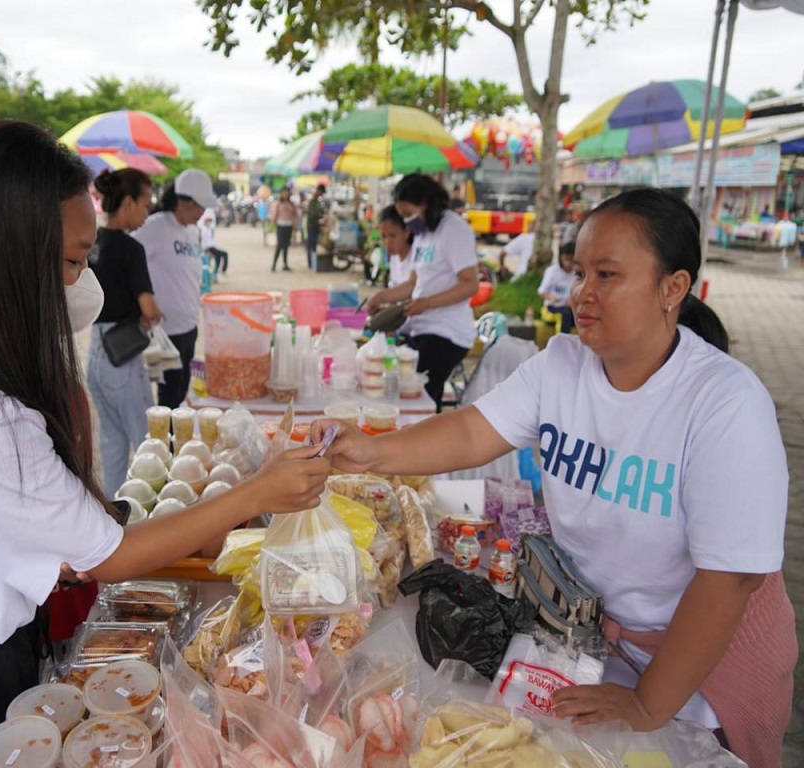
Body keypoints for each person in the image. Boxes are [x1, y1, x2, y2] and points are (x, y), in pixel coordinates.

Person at [0, 120, 330, 768]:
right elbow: (112, 555)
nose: (84, 284)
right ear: (11, 254)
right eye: (75, 261)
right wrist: (257, 491)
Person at [313, 187, 796, 768]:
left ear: (673, 287)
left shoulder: (725, 402)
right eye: (579, 272)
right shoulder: (563, 364)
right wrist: (372, 454)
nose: (582, 294)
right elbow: (471, 432)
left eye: (608, 275)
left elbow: (729, 580)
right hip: (597, 636)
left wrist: (647, 705)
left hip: (704, 655)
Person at [365, 174, 479, 411]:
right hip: (422, 328)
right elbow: (413, 284)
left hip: (448, 333)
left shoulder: (454, 230)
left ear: (425, 204)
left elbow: (470, 285)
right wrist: (382, 297)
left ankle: (427, 442)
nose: (407, 221)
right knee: (395, 378)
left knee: (417, 395)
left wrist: (426, 303)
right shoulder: (424, 234)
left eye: (408, 213)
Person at [87, 168, 164, 496]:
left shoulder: (92, 243)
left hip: (95, 352)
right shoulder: (131, 249)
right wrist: (154, 314)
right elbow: (148, 309)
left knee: (113, 444)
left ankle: (115, 511)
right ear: (129, 202)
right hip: (123, 355)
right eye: (146, 204)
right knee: (150, 444)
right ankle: (159, 514)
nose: (147, 213)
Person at [133, 168, 216, 409]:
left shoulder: (192, 231)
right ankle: (168, 446)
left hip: (189, 326)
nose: (202, 213)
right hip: (166, 332)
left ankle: (180, 444)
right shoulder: (155, 226)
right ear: (182, 201)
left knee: (183, 394)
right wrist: (142, 301)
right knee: (169, 399)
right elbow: (129, 262)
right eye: (199, 206)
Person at [537, 240, 577, 333]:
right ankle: (561, 343)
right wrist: (551, 298)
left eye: (572, 260)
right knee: (564, 316)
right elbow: (541, 292)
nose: (568, 263)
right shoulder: (553, 271)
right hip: (553, 308)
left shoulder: (577, 273)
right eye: (566, 259)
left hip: (570, 307)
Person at [377, 204, 414, 288]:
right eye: (383, 236)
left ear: (407, 232)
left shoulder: (416, 259)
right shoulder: (395, 258)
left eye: (392, 236)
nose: (387, 242)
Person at [270, 187, 299, 272]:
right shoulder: (279, 203)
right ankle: (274, 264)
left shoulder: (291, 204)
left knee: (286, 246)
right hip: (281, 226)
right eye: (284, 192)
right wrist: (272, 225)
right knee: (279, 245)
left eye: (287, 192)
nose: (286, 194)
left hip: (289, 226)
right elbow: (275, 215)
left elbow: (295, 215)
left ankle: (285, 264)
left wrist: (295, 225)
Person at [198, 208, 228, 280]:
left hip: (212, 247)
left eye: (210, 221)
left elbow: (213, 221)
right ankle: (217, 272)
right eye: (208, 220)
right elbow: (202, 242)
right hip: (207, 248)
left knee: (221, 255)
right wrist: (206, 251)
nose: (209, 222)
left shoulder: (210, 228)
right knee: (220, 255)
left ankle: (217, 272)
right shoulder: (203, 229)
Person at [306, 184, 326, 270]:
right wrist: (320, 216)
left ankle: (313, 262)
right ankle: (311, 263)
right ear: (319, 191)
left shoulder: (317, 201)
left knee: (314, 245)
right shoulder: (313, 201)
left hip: (315, 225)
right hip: (312, 225)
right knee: (311, 245)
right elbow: (313, 214)